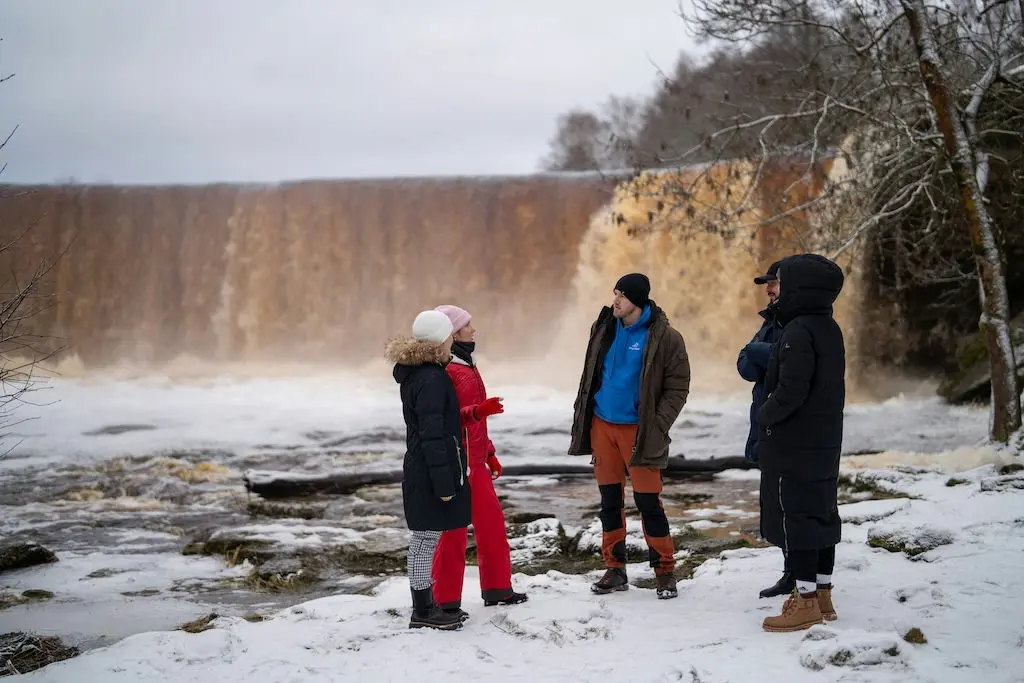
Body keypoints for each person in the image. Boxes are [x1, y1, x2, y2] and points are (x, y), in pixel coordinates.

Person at [568, 273, 691, 599]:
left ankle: (665, 571)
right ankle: (615, 569)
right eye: (615, 293)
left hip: (639, 433)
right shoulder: (606, 326)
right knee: (610, 501)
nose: (615, 300)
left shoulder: (665, 337)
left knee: (648, 502)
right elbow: (591, 374)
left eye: (621, 295)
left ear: (636, 300)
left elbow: (678, 387)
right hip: (602, 426)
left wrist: (657, 424)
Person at [757, 253, 845, 633]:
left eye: (783, 283)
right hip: (824, 438)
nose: (777, 291)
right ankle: (823, 596)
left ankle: (805, 602)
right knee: (821, 512)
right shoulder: (829, 327)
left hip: (795, 440)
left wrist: (764, 414)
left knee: (797, 518)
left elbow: (791, 391)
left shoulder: (797, 332)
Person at [430, 305, 528, 618]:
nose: (474, 329)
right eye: (468, 325)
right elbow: (449, 421)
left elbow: (475, 424)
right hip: (458, 466)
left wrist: (489, 453)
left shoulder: (466, 365)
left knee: (492, 524)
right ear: (453, 333)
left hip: (476, 464)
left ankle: (498, 589)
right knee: (452, 533)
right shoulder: (448, 372)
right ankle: (443, 600)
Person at [385, 309, 471, 631]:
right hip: (428, 469)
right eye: (450, 334)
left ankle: (427, 604)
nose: (453, 339)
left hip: (423, 464)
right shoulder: (432, 378)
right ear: (441, 338)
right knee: (424, 539)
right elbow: (433, 435)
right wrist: (446, 483)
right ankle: (422, 610)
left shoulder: (420, 372)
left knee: (426, 537)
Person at [736, 260, 793, 600]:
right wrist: (758, 354)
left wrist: (759, 353)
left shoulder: (802, 323)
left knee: (791, 505)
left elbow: (793, 359)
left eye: (774, 283)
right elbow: (744, 365)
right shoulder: (771, 321)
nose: (768, 289)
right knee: (774, 506)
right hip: (766, 426)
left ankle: (806, 581)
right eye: (767, 284)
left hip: (785, 428)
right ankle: (790, 572)